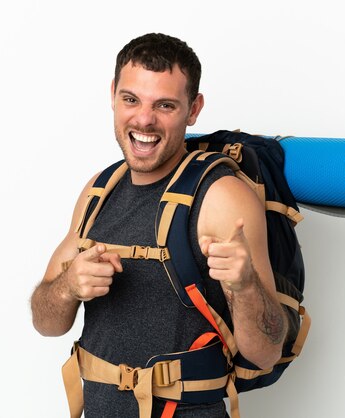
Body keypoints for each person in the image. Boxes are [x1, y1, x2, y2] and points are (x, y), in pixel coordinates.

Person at [30, 33, 287, 418]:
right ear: (113, 93)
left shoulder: (221, 197)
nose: (144, 119)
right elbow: (46, 323)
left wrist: (245, 284)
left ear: (193, 109)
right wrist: (68, 287)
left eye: (165, 105)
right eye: (131, 99)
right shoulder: (100, 189)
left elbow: (265, 352)